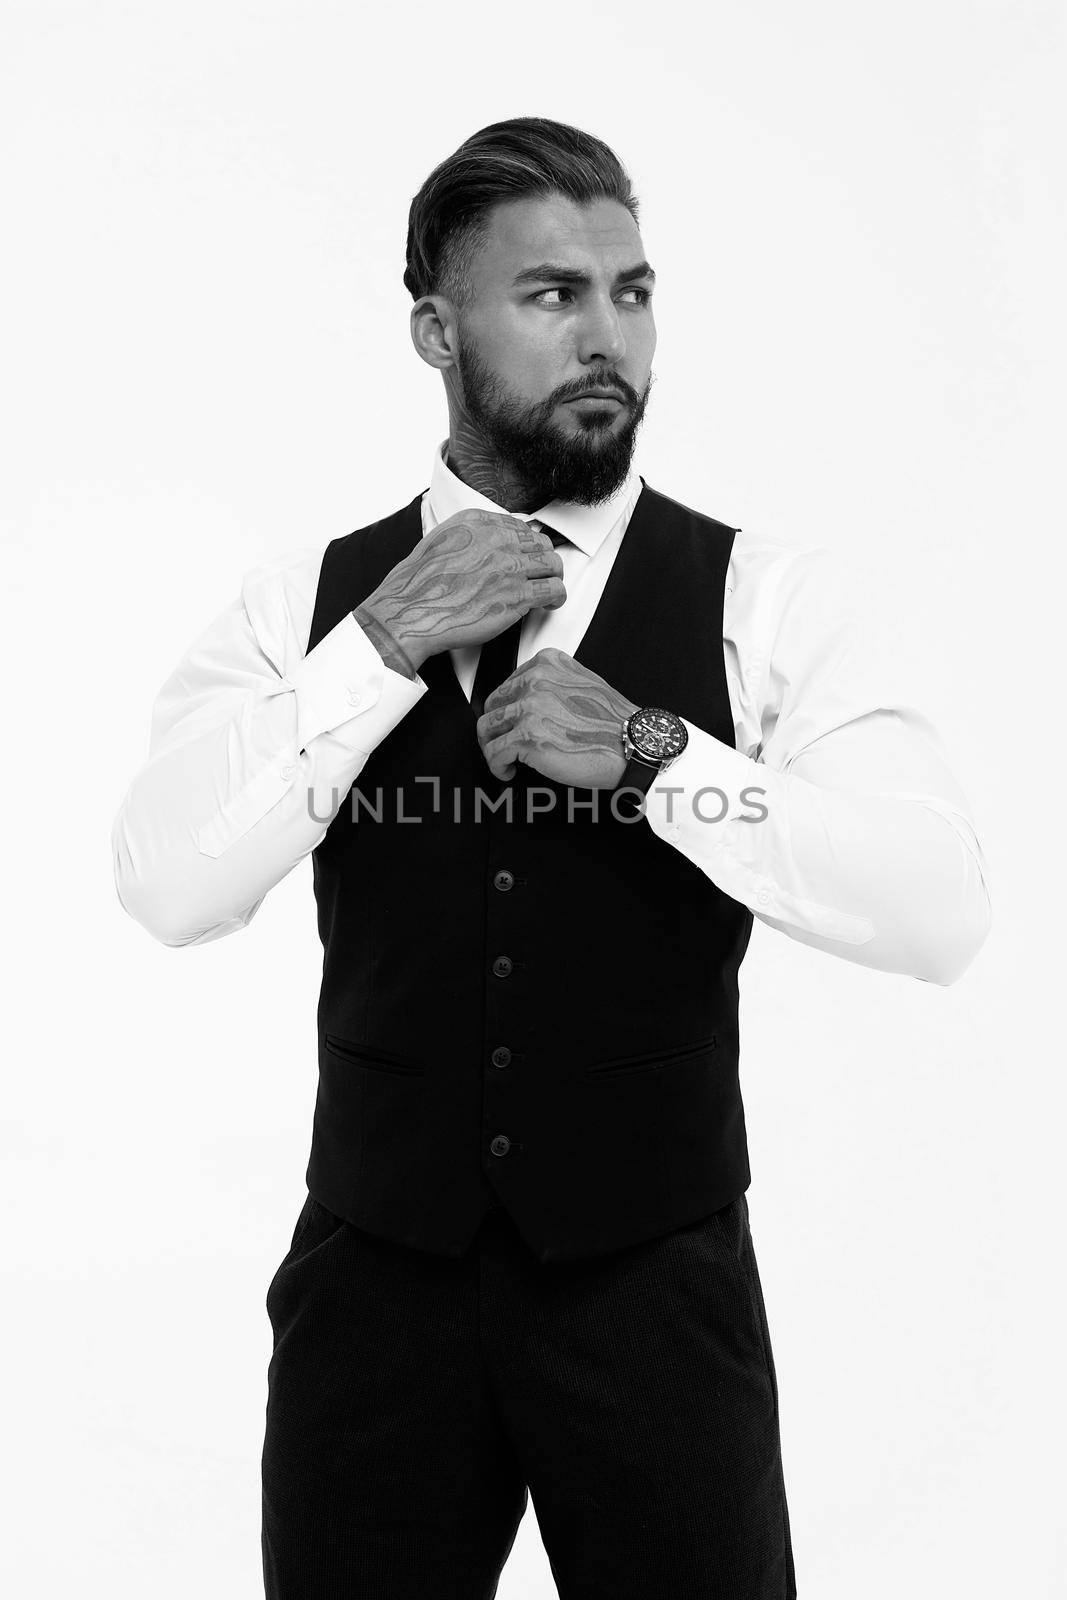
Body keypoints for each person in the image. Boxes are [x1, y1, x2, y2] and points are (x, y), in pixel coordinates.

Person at [112, 117, 991, 1599]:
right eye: (552, 296)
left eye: (631, 293)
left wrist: (659, 757)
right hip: (375, 1286)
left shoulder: (760, 600)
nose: (607, 337)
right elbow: (165, 882)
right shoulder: (307, 605)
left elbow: (939, 908)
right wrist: (383, 644)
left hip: (656, 1286)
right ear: (434, 328)